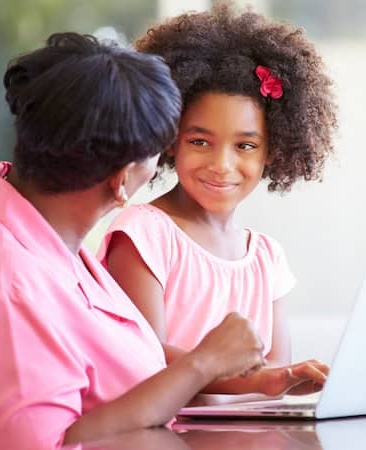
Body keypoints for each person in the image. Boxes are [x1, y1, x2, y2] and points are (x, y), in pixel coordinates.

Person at [0, 32, 323, 450]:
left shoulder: (30, 227)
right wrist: (204, 361)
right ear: (121, 181)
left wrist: (235, 373)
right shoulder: (7, 288)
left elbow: (130, 359)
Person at [98, 3, 337, 396]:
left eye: (245, 145)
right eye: (200, 141)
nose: (222, 165)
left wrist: (301, 377)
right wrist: (262, 378)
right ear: (170, 139)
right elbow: (142, 358)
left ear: (273, 151)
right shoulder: (143, 234)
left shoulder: (266, 258)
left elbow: (272, 375)